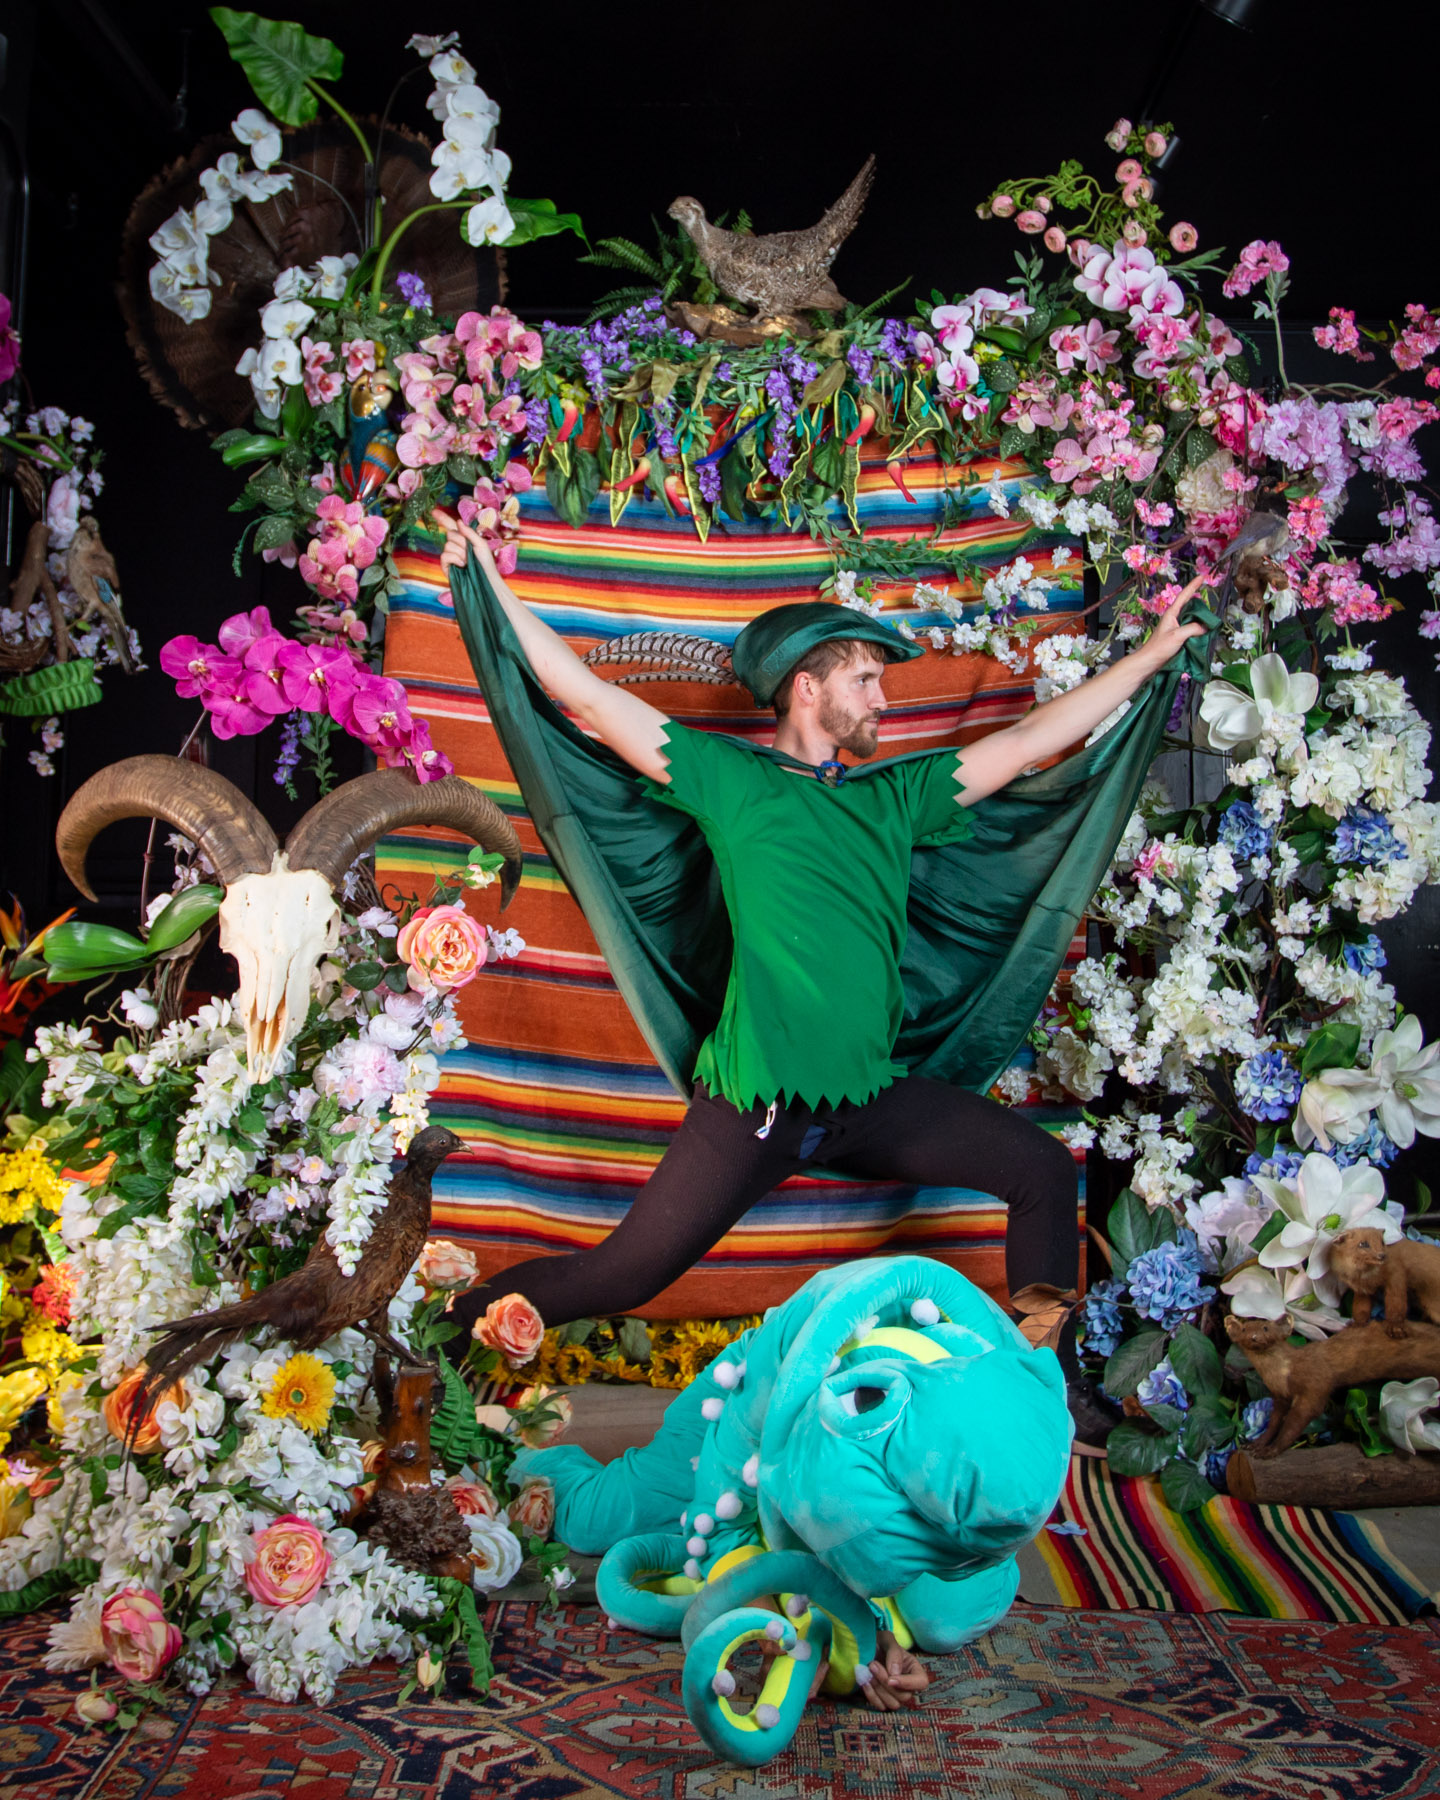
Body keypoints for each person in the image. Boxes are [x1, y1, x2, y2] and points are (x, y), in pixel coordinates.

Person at [435, 509, 1207, 1453]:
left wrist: (1148, 659)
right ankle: (433, 1339)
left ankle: (1048, 1384)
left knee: (1042, 1170)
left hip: (866, 1099)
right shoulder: (729, 780)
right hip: (755, 1105)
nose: (883, 699)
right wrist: (487, 584)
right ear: (807, 688)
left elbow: (1030, 740)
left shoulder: (897, 797)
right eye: (865, 680)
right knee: (622, 1277)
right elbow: (588, 698)